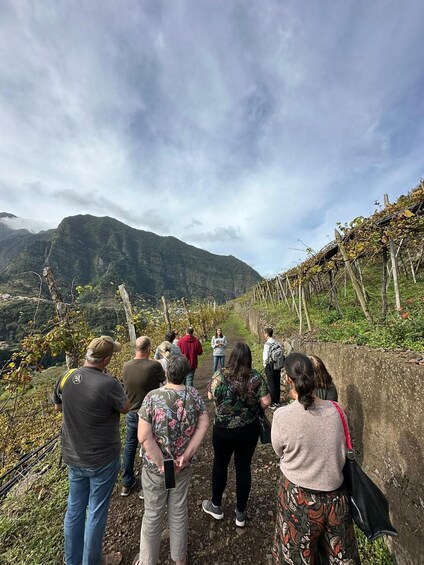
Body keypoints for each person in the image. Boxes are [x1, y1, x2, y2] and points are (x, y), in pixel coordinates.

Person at [271, 353, 359, 564]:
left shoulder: (282, 416)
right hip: (336, 499)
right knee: (341, 557)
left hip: (298, 500)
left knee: (296, 556)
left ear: (288, 380)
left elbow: (278, 451)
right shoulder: (337, 410)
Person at [53, 335, 130, 565]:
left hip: (73, 454)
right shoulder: (109, 384)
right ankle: (92, 561)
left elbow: (59, 406)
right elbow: (125, 408)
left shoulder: (65, 376)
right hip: (102, 458)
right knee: (96, 511)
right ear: (105, 360)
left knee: (74, 510)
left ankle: (72, 560)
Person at [133, 355, 209, 565]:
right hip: (182, 466)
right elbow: (204, 424)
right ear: (185, 374)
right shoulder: (194, 395)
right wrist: (186, 456)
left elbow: (144, 436)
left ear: (166, 373)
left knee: (153, 513)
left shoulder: (152, 398)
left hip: (154, 467)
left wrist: (161, 464)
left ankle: (148, 560)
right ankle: (179, 559)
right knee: (178, 510)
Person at [202, 342, 271, 528]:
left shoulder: (219, 375)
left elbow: (209, 396)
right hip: (248, 429)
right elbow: (266, 401)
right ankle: (240, 513)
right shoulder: (255, 376)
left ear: (232, 356)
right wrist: (253, 408)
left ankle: (216, 505)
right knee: (243, 467)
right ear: (248, 358)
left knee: (220, 464)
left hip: (223, 430)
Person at [121, 336, 165, 498]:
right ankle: (148, 485)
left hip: (132, 412)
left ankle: (127, 482)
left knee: (130, 446)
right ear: (148, 349)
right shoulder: (154, 366)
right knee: (150, 446)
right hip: (149, 413)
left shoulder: (126, 366)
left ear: (135, 348)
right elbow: (164, 379)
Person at [262, 327, 281, 409]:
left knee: (271, 384)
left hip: (270, 365)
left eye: (264, 333)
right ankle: (277, 401)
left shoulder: (267, 345)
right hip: (278, 365)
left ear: (266, 334)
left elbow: (265, 357)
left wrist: (264, 364)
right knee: (277, 382)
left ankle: (272, 403)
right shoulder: (277, 343)